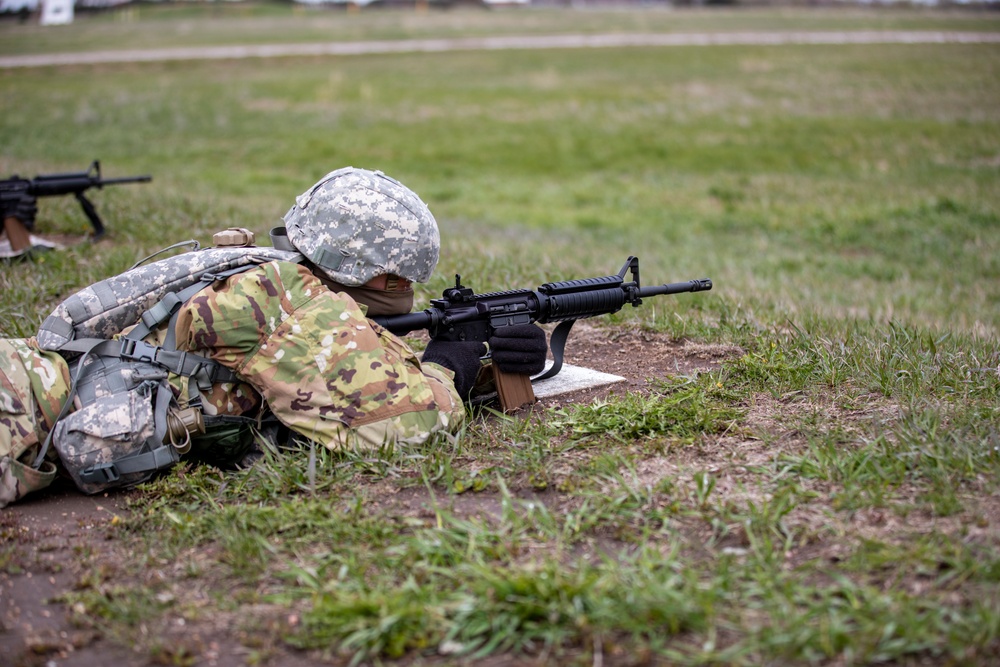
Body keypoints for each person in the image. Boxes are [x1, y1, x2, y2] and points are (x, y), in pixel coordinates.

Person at [0, 167, 548, 507]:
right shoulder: (287, 297)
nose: (404, 291)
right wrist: (447, 366)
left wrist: (486, 365)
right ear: (377, 275)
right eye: (398, 280)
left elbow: (337, 364)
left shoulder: (265, 272)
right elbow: (404, 425)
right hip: (19, 410)